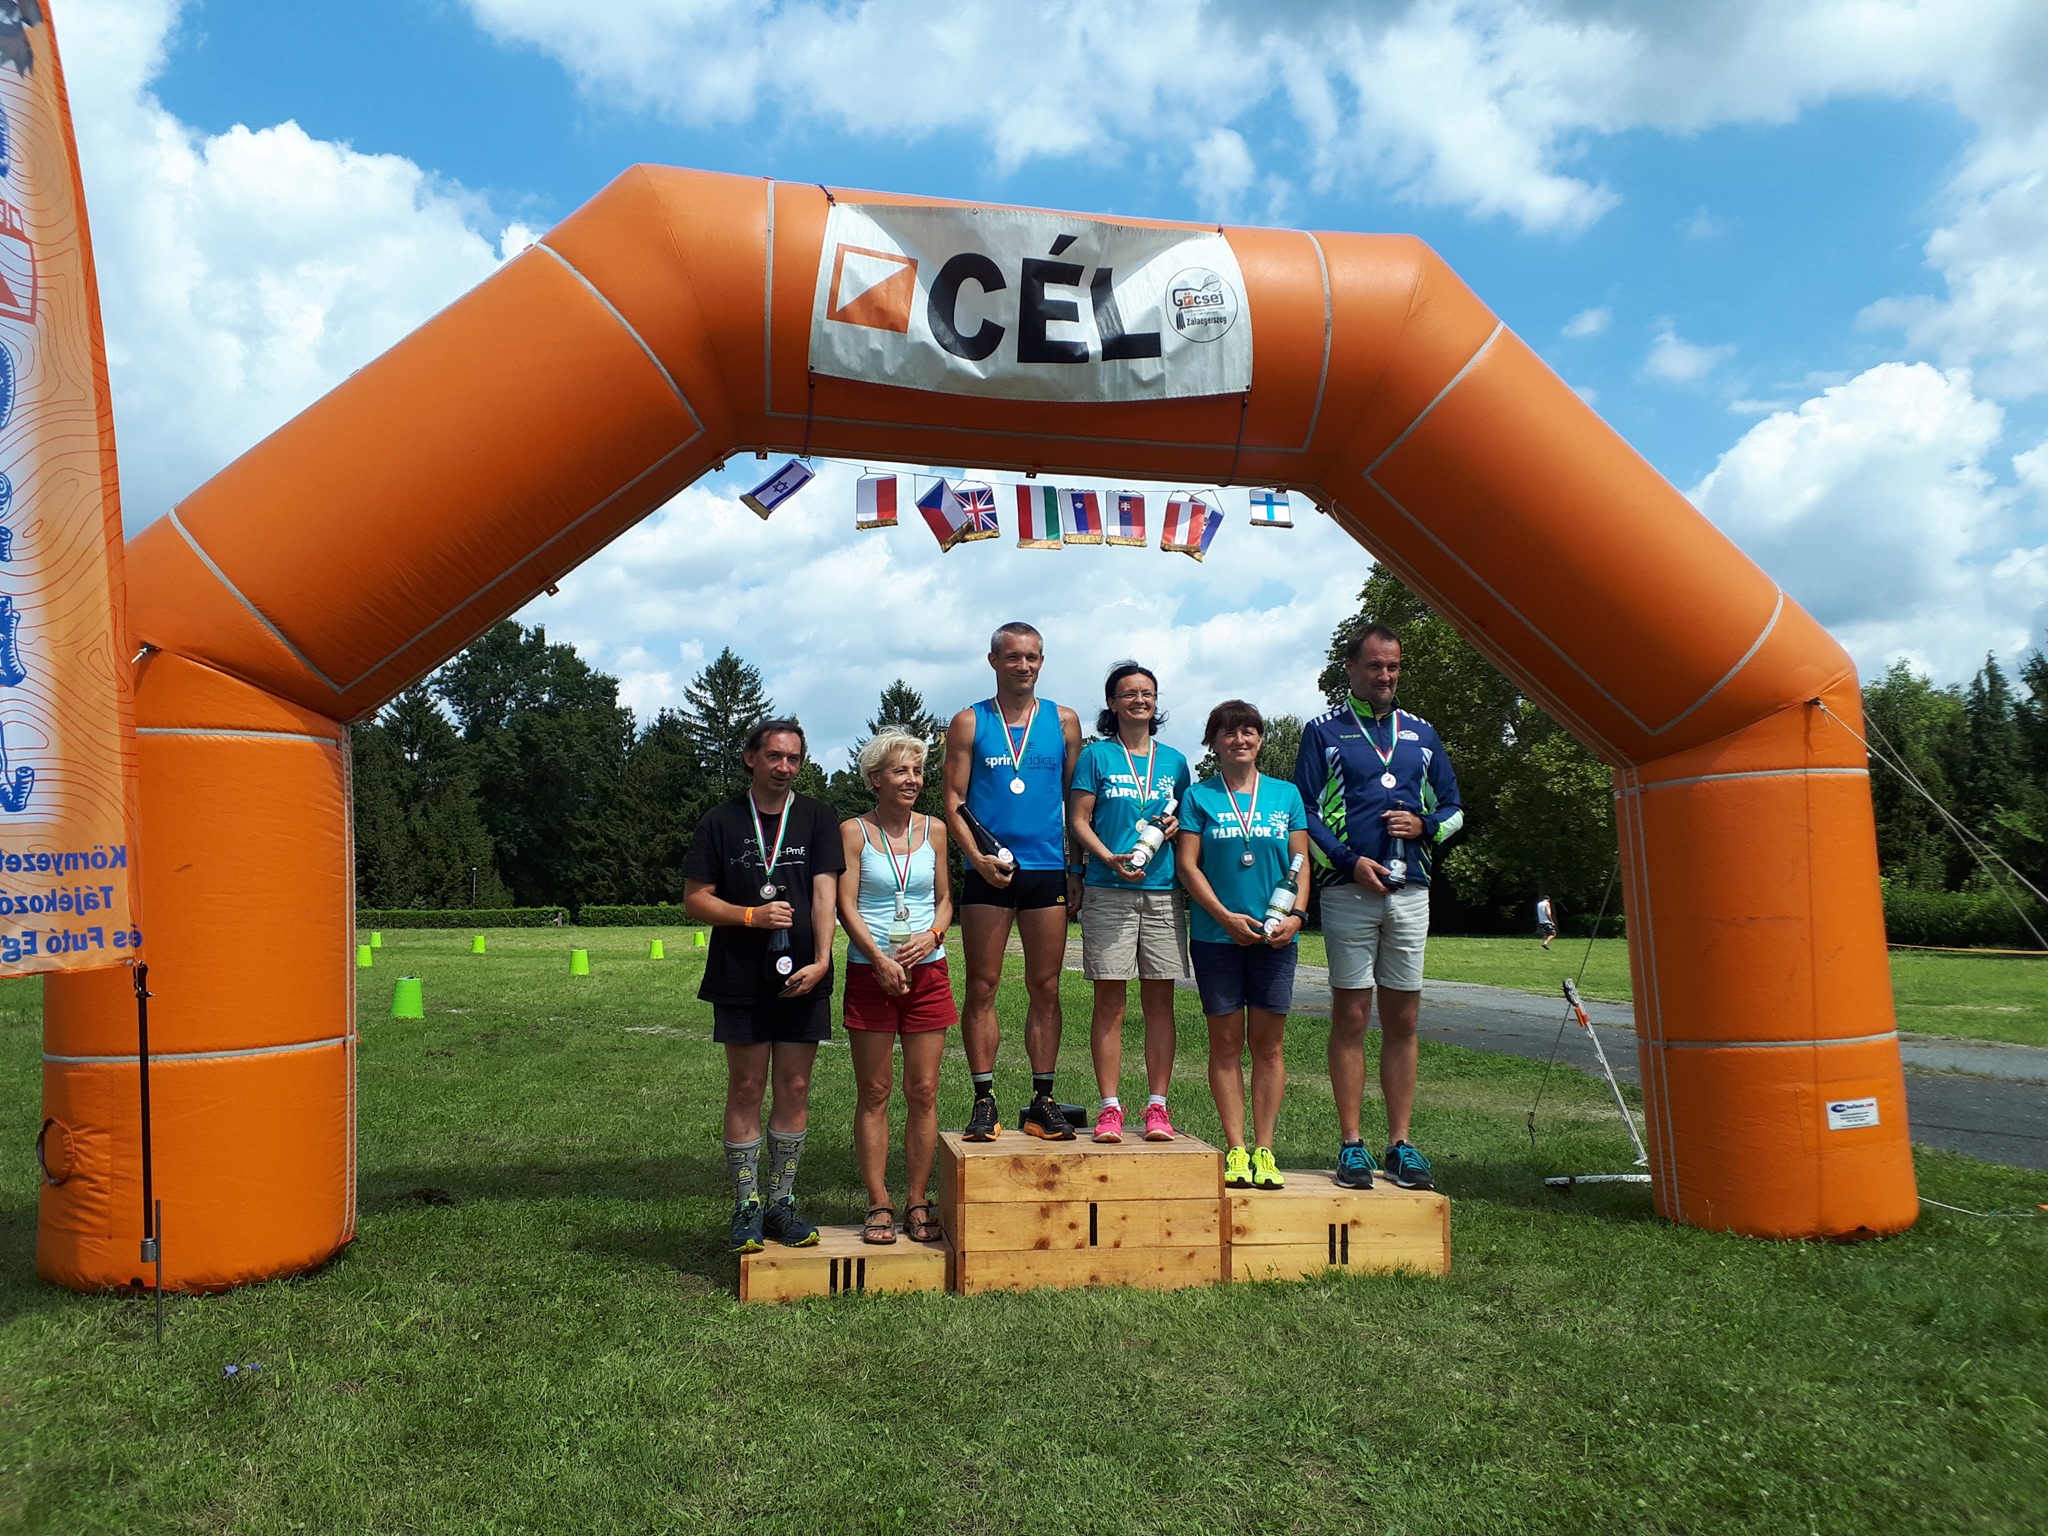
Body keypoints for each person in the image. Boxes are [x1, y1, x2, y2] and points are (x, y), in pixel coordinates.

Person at [1295, 623, 1463, 1192]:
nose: (1385, 675)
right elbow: (1304, 813)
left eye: (1392, 666)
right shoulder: (1323, 732)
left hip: (1411, 889)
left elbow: (1455, 809)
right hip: (1349, 890)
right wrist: (1348, 862)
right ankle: (1351, 1144)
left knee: (1404, 1018)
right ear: (1350, 668)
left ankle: (1400, 1144)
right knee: (1351, 1015)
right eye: (1374, 666)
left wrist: (1425, 825)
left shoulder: (1422, 733)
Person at [681, 720, 844, 1254]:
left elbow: (825, 894)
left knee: (794, 1087)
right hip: (739, 975)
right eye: (774, 756)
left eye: (794, 758)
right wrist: (751, 915)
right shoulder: (721, 821)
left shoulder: (817, 817)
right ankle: (747, 1204)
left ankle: (782, 1201)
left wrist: (823, 961)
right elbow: (696, 899)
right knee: (747, 1087)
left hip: (805, 975)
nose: (784, 767)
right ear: (751, 758)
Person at [943, 621, 1084, 1141]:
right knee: (982, 985)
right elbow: (953, 800)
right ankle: (983, 1099)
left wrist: (1075, 868)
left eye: (1032, 657)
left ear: (1041, 661)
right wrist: (976, 859)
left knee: (1045, 986)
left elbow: (1076, 802)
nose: (1023, 666)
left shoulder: (1064, 721)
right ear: (994, 661)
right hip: (989, 871)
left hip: (1046, 868)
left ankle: (1043, 1099)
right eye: (1013, 657)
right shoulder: (969, 721)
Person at [1178, 700, 1311, 1192]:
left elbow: (1301, 862)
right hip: (1217, 936)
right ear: (1214, 742)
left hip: (1276, 937)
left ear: (1260, 739)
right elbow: (1188, 866)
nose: (1240, 740)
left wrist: (1296, 917)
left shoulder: (1286, 794)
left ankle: (1265, 1149)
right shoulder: (1199, 796)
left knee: (1269, 1046)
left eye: (1249, 731)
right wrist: (1224, 917)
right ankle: (1236, 1148)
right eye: (1229, 733)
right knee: (1227, 1044)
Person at [837, 729, 956, 1245]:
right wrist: (879, 959)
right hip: (872, 971)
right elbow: (845, 904)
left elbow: (946, 899)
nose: (912, 779)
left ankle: (917, 1199)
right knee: (875, 1091)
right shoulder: (853, 832)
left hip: (928, 971)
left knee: (923, 1091)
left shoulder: (935, 830)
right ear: (874, 780)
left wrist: (933, 935)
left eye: (917, 770)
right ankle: (878, 1202)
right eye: (900, 771)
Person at [1067, 663, 1193, 1142]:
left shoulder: (1175, 761)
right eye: (1129, 693)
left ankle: (1158, 1106)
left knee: (1160, 1003)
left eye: (1148, 693)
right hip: (1108, 888)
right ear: (1112, 703)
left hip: (1162, 890)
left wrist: (1178, 826)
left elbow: (1187, 820)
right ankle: (1110, 1108)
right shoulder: (1096, 756)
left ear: (1155, 702)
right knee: (1110, 1003)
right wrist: (1104, 859)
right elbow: (1078, 820)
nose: (1140, 700)